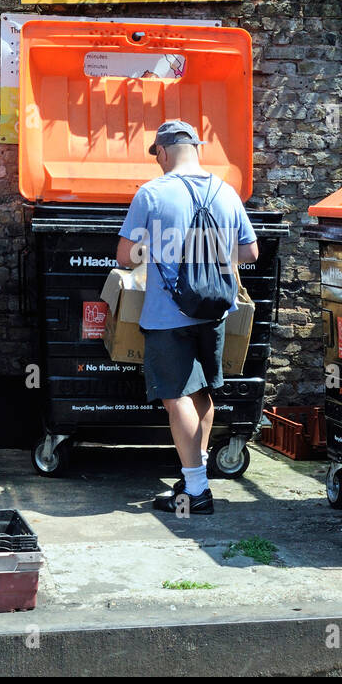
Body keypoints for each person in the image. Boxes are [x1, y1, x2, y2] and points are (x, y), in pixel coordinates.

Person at [117, 120, 258, 515]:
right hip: (214, 308)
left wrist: (161, 247)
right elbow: (250, 254)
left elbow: (125, 257)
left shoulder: (152, 193)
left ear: (161, 152)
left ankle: (196, 490)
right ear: (197, 148)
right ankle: (195, 474)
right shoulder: (227, 192)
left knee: (175, 394)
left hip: (169, 313)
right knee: (202, 393)